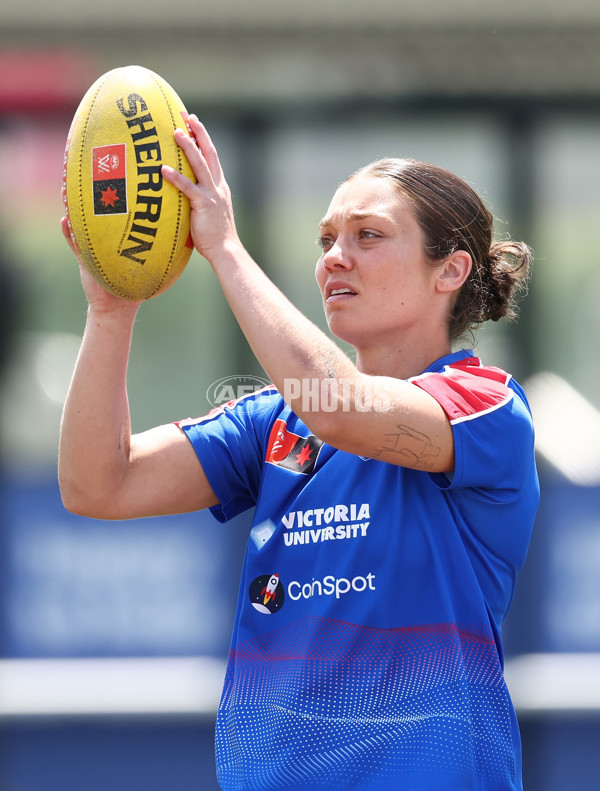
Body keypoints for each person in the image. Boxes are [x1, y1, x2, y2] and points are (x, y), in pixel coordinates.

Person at [59, 115, 539, 791]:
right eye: (325, 240)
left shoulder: (486, 407)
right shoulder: (277, 422)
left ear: (451, 270)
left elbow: (343, 409)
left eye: (367, 236)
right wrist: (111, 310)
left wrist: (224, 247)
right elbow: (97, 485)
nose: (333, 257)